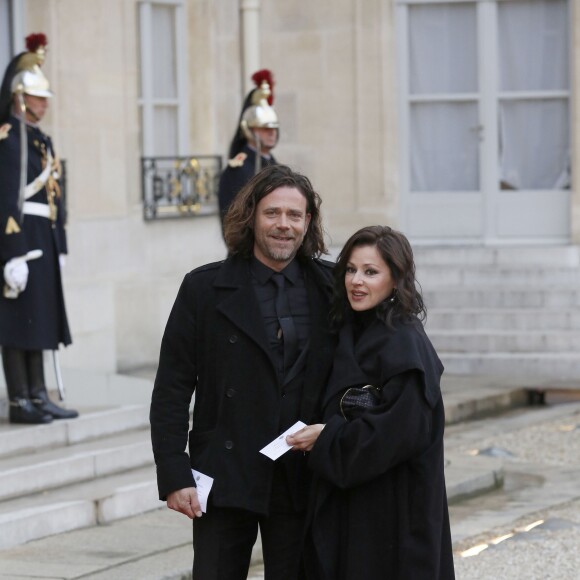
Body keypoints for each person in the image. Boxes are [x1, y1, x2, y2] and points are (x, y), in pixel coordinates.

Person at [150, 164, 335, 580]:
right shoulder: (203, 288)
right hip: (225, 474)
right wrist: (174, 474)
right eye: (272, 213)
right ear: (250, 216)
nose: (283, 225)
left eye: (294, 215)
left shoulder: (332, 287)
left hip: (302, 476)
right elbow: (172, 389)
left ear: (308, 222)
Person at [287, 225, 456, 579]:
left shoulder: (405, 343)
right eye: (350, 269)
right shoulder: (351, 330)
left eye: (370, 272)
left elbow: (398, 433)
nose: (356, 281)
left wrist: (327, 437)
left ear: (396, 279)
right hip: (354, 510)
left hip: (393, 515)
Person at [0, 33, 77, 424]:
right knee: (18, 320)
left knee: (41, 317)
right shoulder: (9, 139)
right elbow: (4, 196)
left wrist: (59, 244)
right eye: (37, 96)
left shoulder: (41, 141)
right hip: (20, 236)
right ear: (19, 97)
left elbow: (55, 197)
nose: (44, 103)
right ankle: (19, 401)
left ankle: (37, 394)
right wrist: (11, 251)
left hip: (43, 236)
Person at [217, 69, 279, 233]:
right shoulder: (239, 170)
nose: (271, 132)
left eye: (273, 128)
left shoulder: (273, 163)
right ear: (249, 130)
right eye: (264, 128)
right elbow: (233, 223)